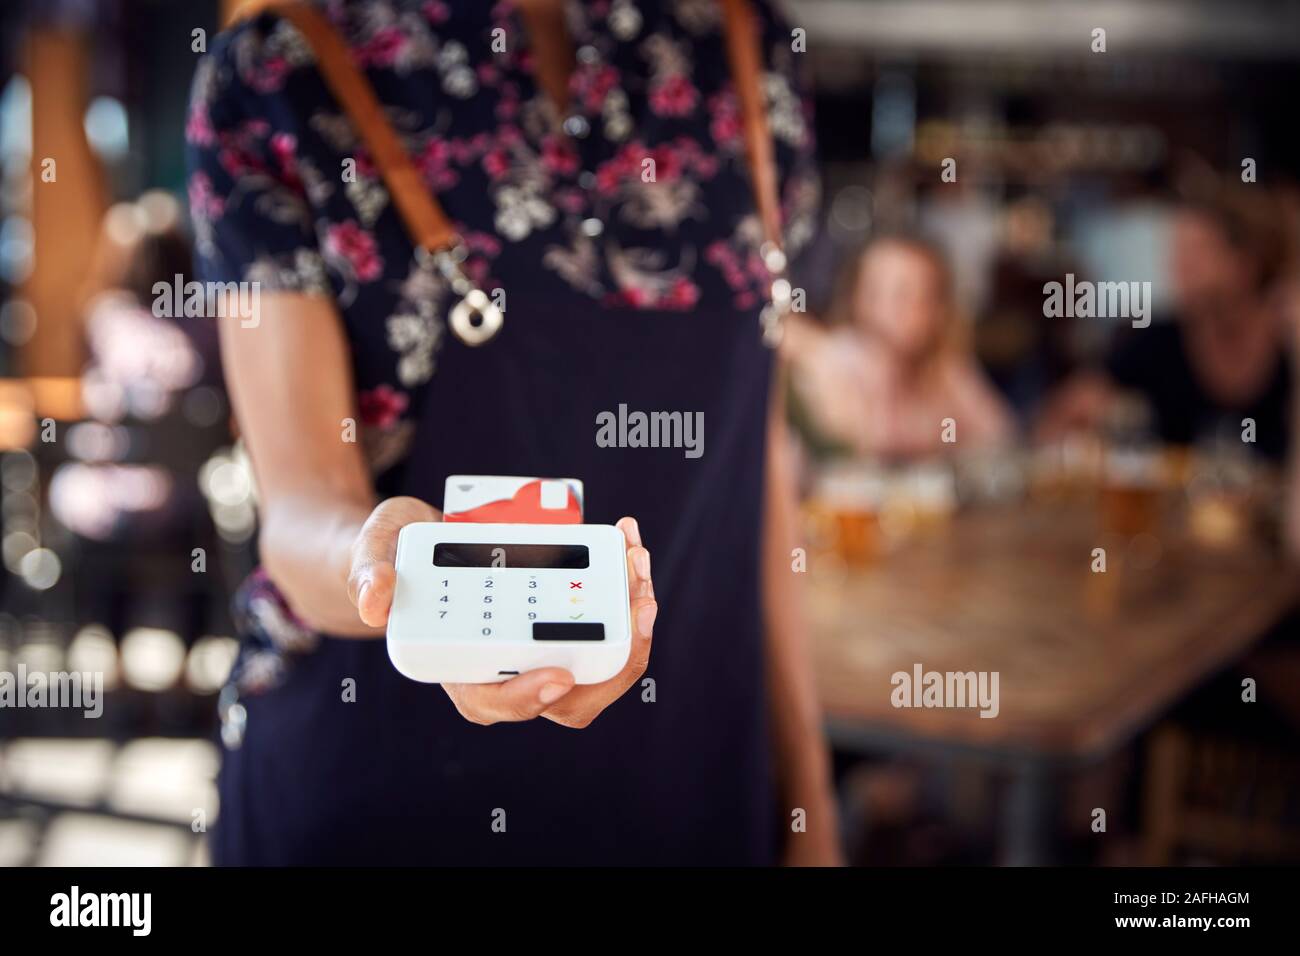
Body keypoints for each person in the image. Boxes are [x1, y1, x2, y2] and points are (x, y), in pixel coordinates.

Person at [186, 0, 838, 864]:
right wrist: (390, 565)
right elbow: (301, 508)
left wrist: (810, 807)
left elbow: (750, 483)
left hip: (691, 793)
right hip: (378, 799)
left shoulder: (747, 51)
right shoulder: (281, 72)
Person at [785, 234, 1014, 460]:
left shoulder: (944, 368)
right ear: (858, 298)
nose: (906, 308)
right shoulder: (836, 358)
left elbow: (1000, 437)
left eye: (920, 294)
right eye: (888, 292)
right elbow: (850, 452)